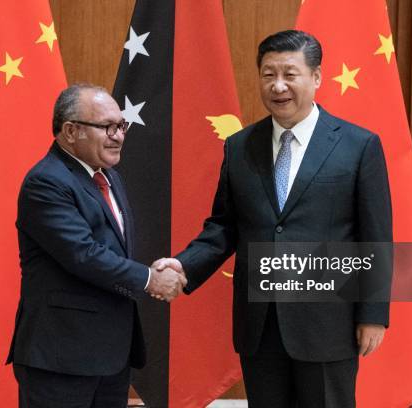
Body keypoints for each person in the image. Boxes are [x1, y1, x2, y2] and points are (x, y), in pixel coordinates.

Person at [156, 30, 392, 407]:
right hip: (260, 327)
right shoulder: (239, 146)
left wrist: (374, 314)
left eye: (289, 74)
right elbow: (223, 227)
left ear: (316, 77)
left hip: (327, 324)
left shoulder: (358, 145)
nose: (278, 86)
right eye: (268, 75)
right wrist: (183, 266)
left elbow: (376, 238)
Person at [6, 84, 186, 408]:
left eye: (121, 126)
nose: (118, 135)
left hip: (111, 356)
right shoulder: (46, 182)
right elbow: (83, 254)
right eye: (107, 127)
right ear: (71, 131)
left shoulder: (109, 177)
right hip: (61, 357)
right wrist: (149, 278)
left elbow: (113, 251)